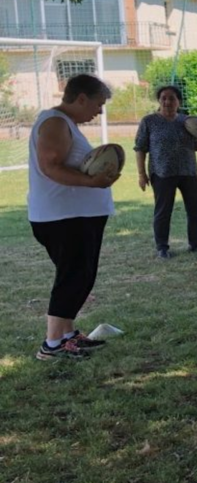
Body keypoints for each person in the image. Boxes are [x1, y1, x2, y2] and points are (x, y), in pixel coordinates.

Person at [28, 74, 121, 360]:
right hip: (65, 218)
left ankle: (67, 335)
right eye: (98, 103)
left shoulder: (64, 123)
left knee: (80, 277)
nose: (100, 111)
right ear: (81, 98)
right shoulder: (54, 122)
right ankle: (52, 344)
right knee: (73, 278)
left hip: (75, 217)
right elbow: (51, 166)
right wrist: (93, 183)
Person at [134, 85, 197, 258]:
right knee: (163, 211)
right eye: (163, 98)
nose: (167, 102)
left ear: (179, 101)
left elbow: (194, 145)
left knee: (195, 210)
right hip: (162, 173)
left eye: (172, 98)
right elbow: (140, 148)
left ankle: (195, 245)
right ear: (159, 101)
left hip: (189, 172)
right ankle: (162, 248)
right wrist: (142, 174)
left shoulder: (187, 122)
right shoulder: (149, 121)